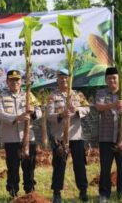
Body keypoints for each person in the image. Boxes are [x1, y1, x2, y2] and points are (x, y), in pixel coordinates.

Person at [0, 70, 42, 199]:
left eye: (17, 80)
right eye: (12, 80)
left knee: (29, 167)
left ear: (21, 81)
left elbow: (39, 111)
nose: (15, 82)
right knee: (13, 167)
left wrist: (33, 113)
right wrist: (17, 117)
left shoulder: (29, 95)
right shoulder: (1, 97)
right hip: (11, 139)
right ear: (7, 82)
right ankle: (13, 193)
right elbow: (0, 114)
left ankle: (30, 192)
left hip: (28, 138)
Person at [47, 69, 90, 203]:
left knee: (79, 165)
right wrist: (60, 115)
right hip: (59, 138)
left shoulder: (78, 95)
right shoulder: (52, 96)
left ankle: (83, 191)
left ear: (70, 80)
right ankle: (57, 192)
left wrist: (77, 110)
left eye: (66, 78)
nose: (63, 80)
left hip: (76, 136)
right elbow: (48, 115)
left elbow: (87, 108)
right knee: (59, 165)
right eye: (61, 78)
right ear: (57, 81)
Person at [95, 67, 122, 202]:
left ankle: (120, 193)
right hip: (105, 137)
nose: (112, 80)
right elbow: (99, 107)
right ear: (106, 80)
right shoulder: (101, 93)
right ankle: (104, 194)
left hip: (121, 138)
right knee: (105, 167)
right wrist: (113, 104)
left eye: (114, 78)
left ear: (118, 79)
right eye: (109, 78)